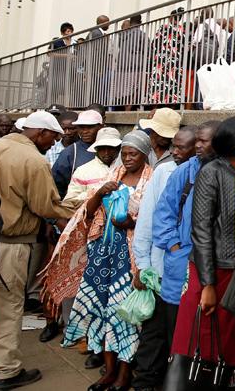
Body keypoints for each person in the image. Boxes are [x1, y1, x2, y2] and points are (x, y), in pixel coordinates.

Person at [171, 117, 235, 386]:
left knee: (230, 340)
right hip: (213, 269)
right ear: (234, 144)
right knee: (202, 337)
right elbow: (201, 230)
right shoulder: (211, 173)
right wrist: (207, 284)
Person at [62, 130, 153, 391]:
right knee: (102, 312)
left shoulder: (152, 181)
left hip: (129, 260)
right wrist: (100, 192)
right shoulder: (113, 177)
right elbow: (87, 214)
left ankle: (124, 375)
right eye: (124, 153)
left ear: (144, 154)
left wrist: (130, 222)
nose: (127, 158)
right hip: (103, 257)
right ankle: (109, 371)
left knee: (124, 315)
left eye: (132, 153)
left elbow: (152, 222)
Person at [0, 111, 70, 389]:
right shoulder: (34, 161)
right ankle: (7, 371)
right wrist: (84, 207)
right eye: (52, 138)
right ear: (40, 133)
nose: (53, 144)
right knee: (8, 308)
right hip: (9, 244)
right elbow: (46, 206)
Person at [38, 127, 122, 347]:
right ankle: (76, 330)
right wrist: (95, 195)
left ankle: (102, 336)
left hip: (116, 237)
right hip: (85, 233)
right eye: (102, 148)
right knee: (77, 281)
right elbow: (70, 201)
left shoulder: (124, 169)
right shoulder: (83, 171)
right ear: (96, 149)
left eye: (111, 148)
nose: (106, 153)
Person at [130, 126, 196, 390]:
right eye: (174, 147)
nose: (175, 153)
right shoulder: (164, 172)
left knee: (176, 339)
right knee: (154, 336)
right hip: (159, 271)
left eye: (182, 148)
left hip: (185, 276)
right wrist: (143, 267)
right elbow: (147, 221)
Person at [152, 121, 219, 351]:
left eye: (204, 141)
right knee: (178, 333)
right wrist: (174, 246)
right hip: (181, 263)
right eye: (197, 140)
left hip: (213, 266)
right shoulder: (184, 172)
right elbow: (163, 213)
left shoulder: (229, 172)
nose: (199, 146)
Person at [52, 110, 104, 198]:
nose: (85, 131)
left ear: (101, 127)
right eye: (81, 127)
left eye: (90, 127)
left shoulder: (113, 149)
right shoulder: (70, 153)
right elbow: (56, 187)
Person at [147, 10, 188, 106]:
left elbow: (154, 44)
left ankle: (157, 105)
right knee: (173, 83)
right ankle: (170, 106)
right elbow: (184, 46)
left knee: (159, 82)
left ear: (170, 17)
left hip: (161, 60)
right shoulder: (182, 31)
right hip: (175, 61)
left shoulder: (163, 27)